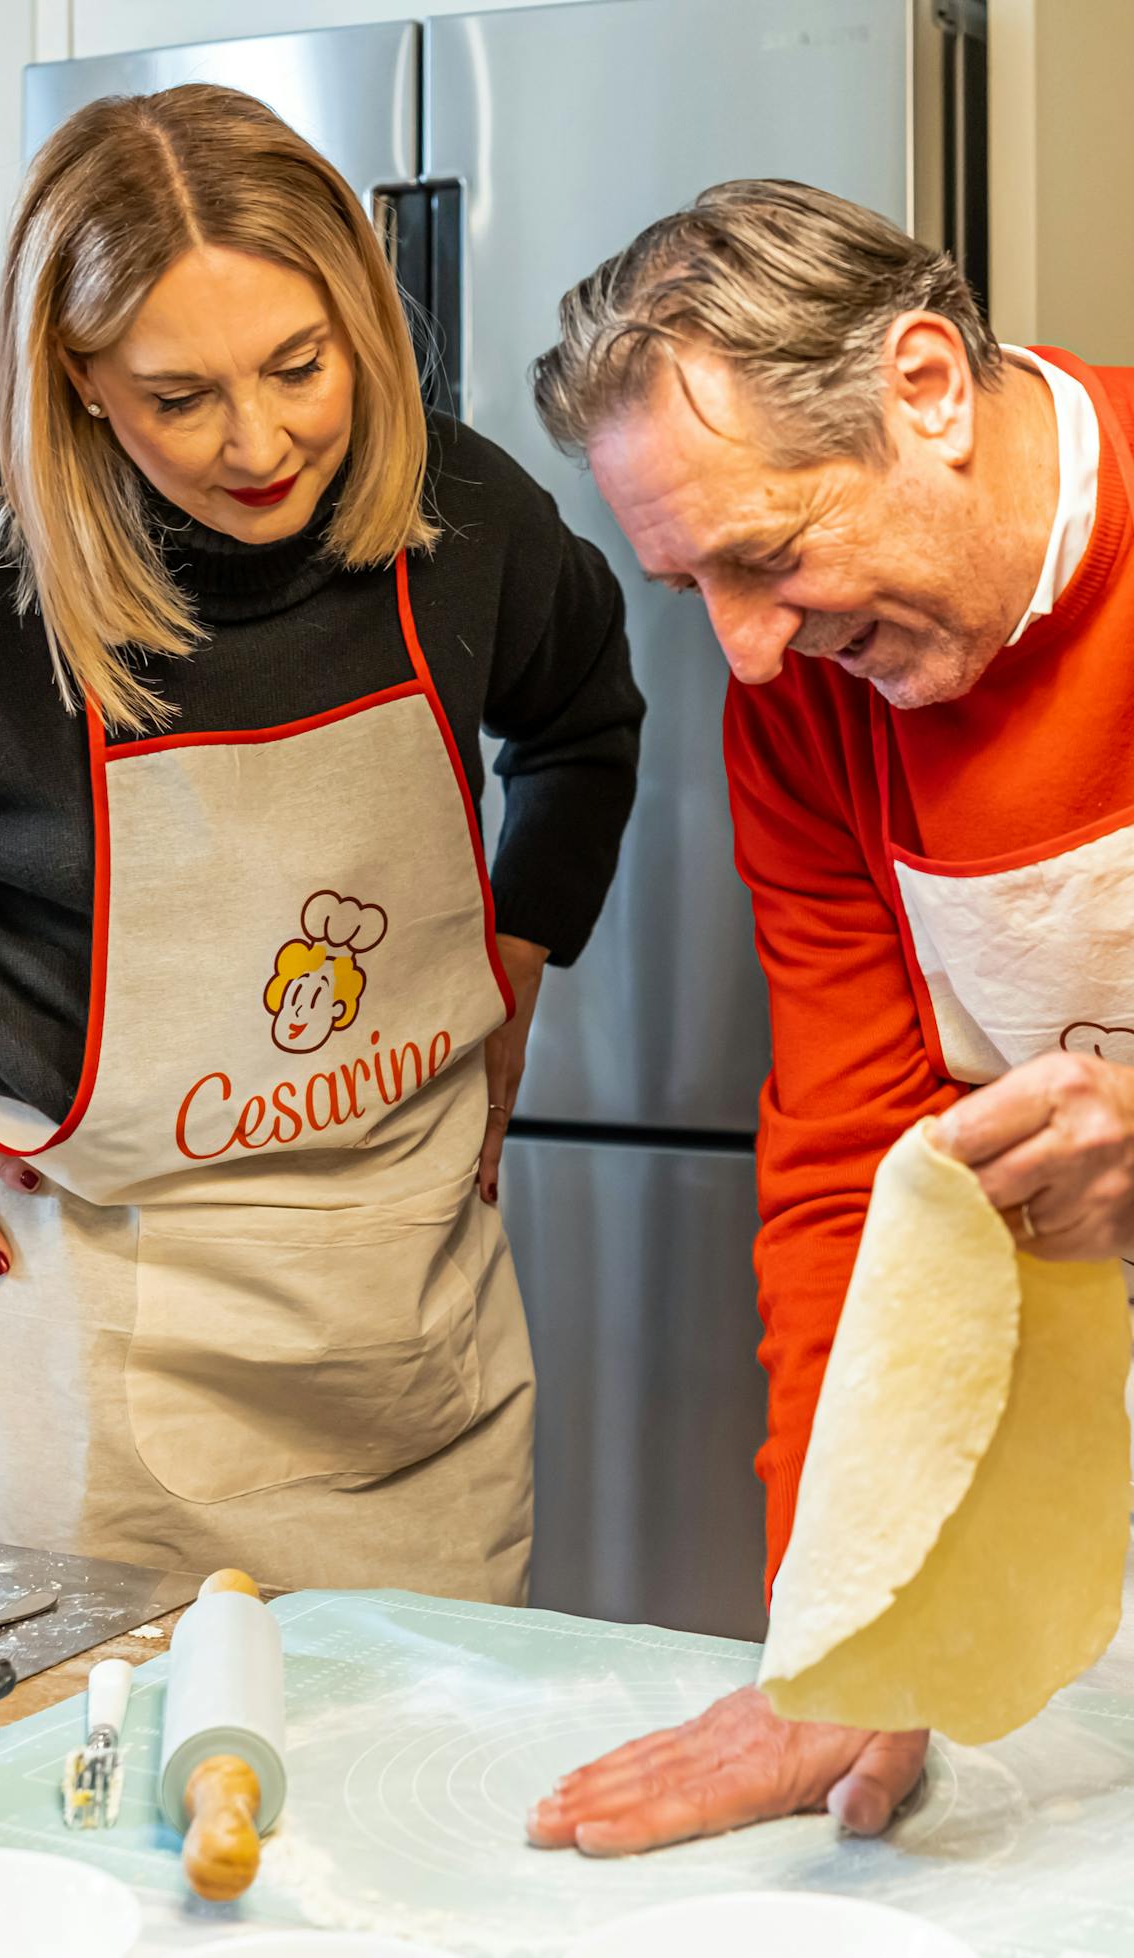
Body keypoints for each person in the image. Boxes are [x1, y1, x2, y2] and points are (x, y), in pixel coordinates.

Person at [0, 83, 642, 1602]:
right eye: (177, 395)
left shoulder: (462, 515)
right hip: (74, 1345)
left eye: (300, 366)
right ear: (72, 376)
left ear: (361, 323)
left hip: (404, 1329)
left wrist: (519, 951)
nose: (258, 444)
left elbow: (583, 718)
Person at [525, 177, 1134, 1851]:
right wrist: (841, 1624)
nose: (752, 655)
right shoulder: (810, 718)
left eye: (770, 556)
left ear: (927, 388)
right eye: (690, 591)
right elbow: (846, 1170)